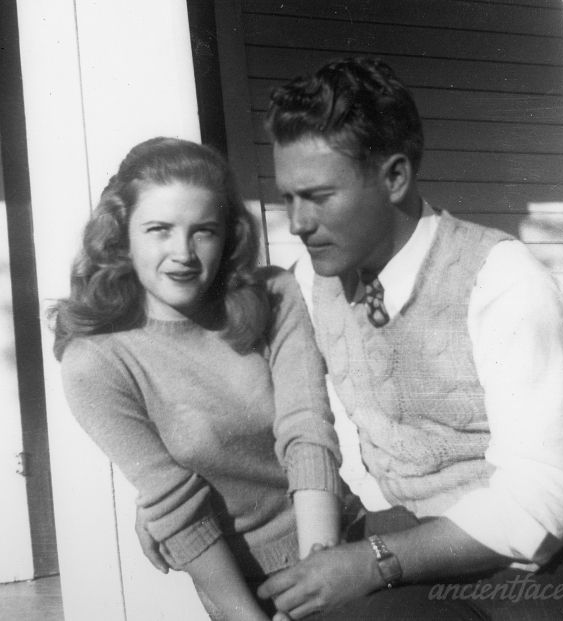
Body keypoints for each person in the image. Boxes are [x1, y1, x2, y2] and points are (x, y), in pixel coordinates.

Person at [255, 57, 563, 619]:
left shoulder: (504, 282)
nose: (296, 222)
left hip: (539, 557)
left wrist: (371, 561)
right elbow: (274, 407)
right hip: (409, 537)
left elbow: (539, 506)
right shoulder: (312, 284)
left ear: (394, 178)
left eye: (317, 196)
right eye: (288, 197)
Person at [52, 137, 344, 620]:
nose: (183, 253)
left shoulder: (274, 296)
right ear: (122, 235)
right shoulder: (95, 362)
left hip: (333, 543)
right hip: (243, 586)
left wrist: (321, 574)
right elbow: (174, 503)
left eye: (203, 231)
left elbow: (307, 431)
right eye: (159, 229)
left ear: (228, 236)